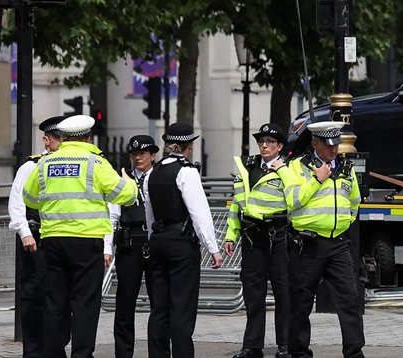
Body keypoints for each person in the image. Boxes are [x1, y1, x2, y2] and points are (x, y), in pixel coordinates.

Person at [22, 114, 138, 358]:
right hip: (86, 242)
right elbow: (124, 196)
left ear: (63, 138)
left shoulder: (44, 163)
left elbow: (29, 197)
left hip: (52, 240)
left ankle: (53, 353)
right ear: (88, 137)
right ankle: (82, 355)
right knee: (85, 304)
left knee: (55, 303)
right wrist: (129, 182)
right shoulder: (95, 163)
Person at [279, 121, 365, 358]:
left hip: (337, 243)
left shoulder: (346, 167)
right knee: (301, 301)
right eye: (328, 146)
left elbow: (354, 202)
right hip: (308, 245)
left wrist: (344, 223)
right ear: (315, 143)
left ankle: (354, 351)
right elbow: (292, 201)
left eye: (336, 144)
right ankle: (298, 351)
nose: (333, 150)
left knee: (350, 299)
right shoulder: (296, 167)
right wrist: (316, 181)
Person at [146, 122, 223, 358]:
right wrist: (213, 248)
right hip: (180, 242)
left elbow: (150, 212)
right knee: (182, 306)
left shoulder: (154, 171)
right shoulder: (186, 171)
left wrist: (152, 238)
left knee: (159, 307)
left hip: (158, 240)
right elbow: (199, 213)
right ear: (188, 145)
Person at [225, 123, 293, 358]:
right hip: (252, 236)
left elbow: (297, 199)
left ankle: (285, 345)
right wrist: (230, 235)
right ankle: (252, 346)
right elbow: (237, 204)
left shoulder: (289, 169)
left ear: (280, 146)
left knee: (283, 292)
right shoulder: (247, 166)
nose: (264, 145)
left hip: (278, 235)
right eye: (261, 141)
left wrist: (283, 170)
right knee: (253, 294)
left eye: (270, 142)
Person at [8, 115, 68, 358]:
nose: (61, 143)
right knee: (35, 299)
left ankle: (56, 349)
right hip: (37, 240)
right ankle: (34, 353)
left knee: (61, 300)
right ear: (46, 140)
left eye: (65, 139)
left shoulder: (72, 166)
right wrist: (24, 233)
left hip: (62, 239)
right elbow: (16, 202)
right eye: (57, 139)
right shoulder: (31, 166)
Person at [108, 135, 160, 358]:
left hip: (155, 242)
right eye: (134, 154)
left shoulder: (159, 177)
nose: (138, 158)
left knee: (159, 302)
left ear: (152, 156)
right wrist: (106, 247)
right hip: (130, 242)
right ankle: (123, 353)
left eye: (143, 154)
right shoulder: (123, 179)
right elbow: (112, 214)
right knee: (125, 303)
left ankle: (157, 352)